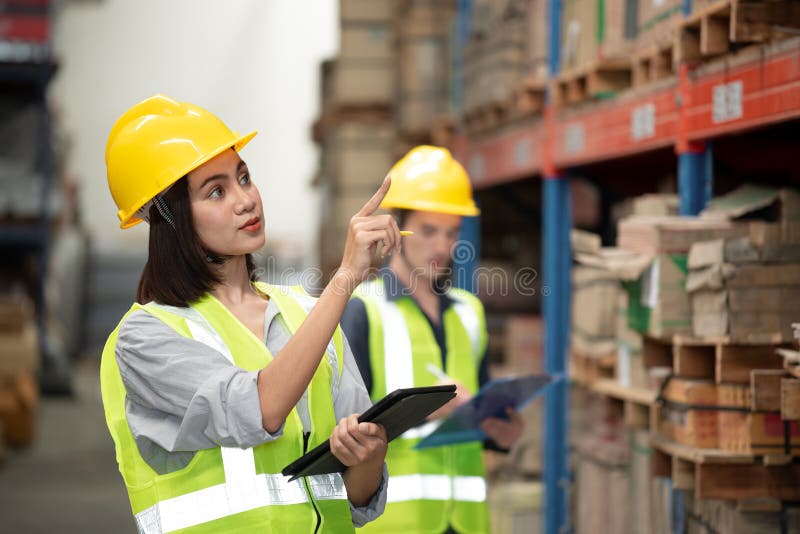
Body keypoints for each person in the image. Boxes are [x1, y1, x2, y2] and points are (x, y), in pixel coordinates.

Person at [100, 94, 401, 533]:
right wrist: (344, 279)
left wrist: (369, 458)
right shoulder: (145, 339)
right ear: (173, 217)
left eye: (244, 177)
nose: (246, 200)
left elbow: (357, 500)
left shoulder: (306, 313)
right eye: (216, 191)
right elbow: (261, 410)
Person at [340, 146, 525, 534]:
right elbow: (343, 433)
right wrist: (422, 408)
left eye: (452, 232)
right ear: (396, 228)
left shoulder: (469, 312)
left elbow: (480, 410)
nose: (442, 247)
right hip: (395, 524)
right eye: (427, 231)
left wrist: (498, 435)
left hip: (466, 522)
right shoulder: (363, 310)